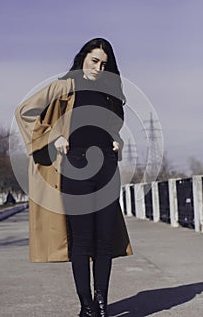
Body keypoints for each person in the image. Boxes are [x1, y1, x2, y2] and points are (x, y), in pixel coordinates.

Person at [15, 38, 132, 317]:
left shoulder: (108, 93)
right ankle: (86, 307)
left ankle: (101, 305)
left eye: (104, 64)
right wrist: (53, 136)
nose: (98, 68)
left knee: (104, 240)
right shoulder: (64, 86)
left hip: (106, 167)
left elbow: (110, 129)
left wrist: (118, 142)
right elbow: (24, 112)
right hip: (74, 167)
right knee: (82, 241)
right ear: (83, 58)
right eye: (94, 61)